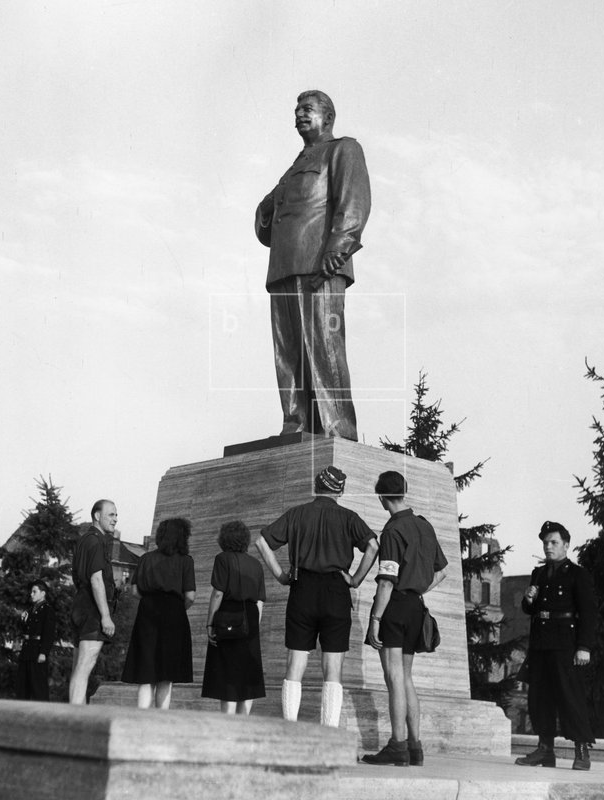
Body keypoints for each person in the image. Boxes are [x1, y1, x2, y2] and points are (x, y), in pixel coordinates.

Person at [255, 90, 371, 441]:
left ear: (328, 117)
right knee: (288, 353)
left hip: (320, 264)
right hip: (284, 267)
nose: (299, 115)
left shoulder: (343, 150)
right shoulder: (293, 167)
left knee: (324, 347)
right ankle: (296, 424)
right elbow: (266, 226)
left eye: (307, 109)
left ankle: (338, 429)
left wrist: (339, 248)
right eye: (296, 110)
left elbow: (354, 201)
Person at [255, 465, 378, 726]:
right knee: (332, 670)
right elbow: (373, 546)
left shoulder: (297, 514)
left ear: (315, 485)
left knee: (294, 665)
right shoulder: (349, 517)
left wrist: (280, 576)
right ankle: (329, 733)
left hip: (303, 589)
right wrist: (355, 579)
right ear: (341, 491)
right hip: (336, 591)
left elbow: (261, 542)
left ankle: (289, 728)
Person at [361, 471, 448, 767]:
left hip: (394, 606)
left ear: (382, 497)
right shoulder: (424, 526)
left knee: (394, 677)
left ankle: (397, 745)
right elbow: (441, 571)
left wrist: (375, 618)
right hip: (416, 607)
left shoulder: (392, 530)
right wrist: (417, 587)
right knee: (406, 678)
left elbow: (386, 581)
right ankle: (415, 747)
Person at [515, 520, 597, 771]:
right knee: (540, 697)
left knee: (570, 697)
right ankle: (545, 750)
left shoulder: (577, 574)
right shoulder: (539, 573)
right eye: (545, 543)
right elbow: (531, 609)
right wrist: (528, 600)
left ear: (566, 545)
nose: (548, 547)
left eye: (554, 542)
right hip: (541, 643)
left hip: (566, 644)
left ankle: (581, 751)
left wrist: (584, 646)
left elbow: (590, 613)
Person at [121, 517, 196, 709]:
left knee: (146, 671)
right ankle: (161, 717)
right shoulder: (185, 561)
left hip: (147, 613)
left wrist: (149, 601)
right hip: (174, 614)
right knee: (166, 673)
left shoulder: (146, 558)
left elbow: (134, 590)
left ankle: (141, 717)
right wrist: (178, 608)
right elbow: (191, 596)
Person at [201, 520, 266, 715]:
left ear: (224, 538)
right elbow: (260, 601)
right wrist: (253, 626)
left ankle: (227, 722)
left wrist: (210, 622)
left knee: (227, 673)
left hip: (228, 617)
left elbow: (218, 593)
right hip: (251, 618)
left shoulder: (222, 559)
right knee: (247, 674)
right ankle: (242, 722)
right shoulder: (256, 564)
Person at [69, 499, 118, 704]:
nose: (115, 519)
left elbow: (77, 576)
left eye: (116, 515)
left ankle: (74, 713)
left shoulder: (84, 540)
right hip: (93, 609)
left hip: (81, 605)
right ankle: (76, 718)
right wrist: (106, 616)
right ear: (97, 516)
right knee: (84, 666)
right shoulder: (96, 542)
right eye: (111, 515)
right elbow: (96, 579)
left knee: (78, 667)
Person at [16, 580, 56, 701]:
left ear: (43, 593)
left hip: (37, 652)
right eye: (31, 592)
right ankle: (23, 713)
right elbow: (25, 631)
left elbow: (49, 633)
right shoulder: (30, 610)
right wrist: (22, 620)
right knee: (23, 686)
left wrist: (43, 652)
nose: (31, 594)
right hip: (26, 651)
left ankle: (43, 715)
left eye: (34, 592)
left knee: (39, 687)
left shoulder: (47, 610)